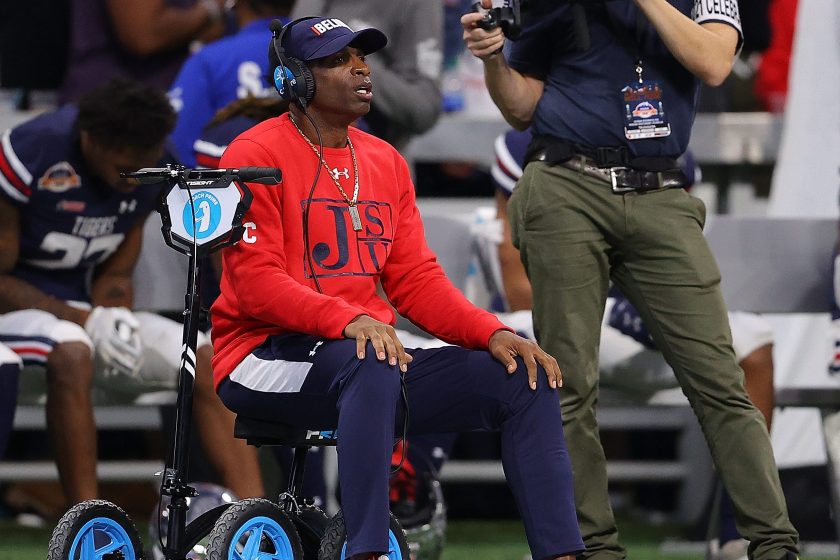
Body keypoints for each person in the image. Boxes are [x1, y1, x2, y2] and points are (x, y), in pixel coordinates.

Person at [211, 16, 583, 560]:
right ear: (294, 78)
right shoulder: (254, 153)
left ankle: (561, 553)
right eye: (338, 60)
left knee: (523, 378)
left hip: (364, 359)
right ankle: (367, 550)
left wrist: (492, 332)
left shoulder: (384, 159)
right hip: (261, 357)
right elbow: (255, 283)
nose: (361, 68)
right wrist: (347, 319)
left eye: (361, 57)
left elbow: (415, 281)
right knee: (372, 359)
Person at [462, 2, 799, 560]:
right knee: (567, 383)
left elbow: (713, 63)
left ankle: (773, 544)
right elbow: (523, 107)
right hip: (566, 182)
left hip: (662, 191)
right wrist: (496, 60)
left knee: (719, 377)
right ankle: (593, 549)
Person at [491, 128, 776, 560]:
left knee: (753, 345)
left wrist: (650, 303)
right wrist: (610, 303)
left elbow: (675, 249)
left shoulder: (663, 137)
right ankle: (568, 540)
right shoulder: (525, 147)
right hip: (567, 313)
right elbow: (521, 288)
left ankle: (736, 532)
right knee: (538, 357)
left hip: (640, 320)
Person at [0, 79, 263, 508]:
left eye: (146, 159)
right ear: (90, 139)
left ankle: (257, 517)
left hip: (76, 312)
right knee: (72, 349)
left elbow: (116, 272)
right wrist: (79, 318)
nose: (135, 171)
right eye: (127, 160)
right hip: (14, 313)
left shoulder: (152, 165)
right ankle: (86, 521)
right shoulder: (35, 151)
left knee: (206, 358)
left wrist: (112, 310)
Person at [289, 0, 443, 151]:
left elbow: (424, 108)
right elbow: (292, 69)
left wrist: (351, 59)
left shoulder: (416, 3)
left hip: (378, 161)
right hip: (301, 149)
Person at [168, 0, 296, 167]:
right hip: (308, 184)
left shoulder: (210, 59)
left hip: (223, 186)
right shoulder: (319, 54)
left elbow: (176, 148)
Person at [59, 0, 228, 104]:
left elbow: (212, 31)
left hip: (154, 103)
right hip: (114, 113)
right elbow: (144, 35)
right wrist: (213, 7)